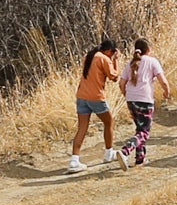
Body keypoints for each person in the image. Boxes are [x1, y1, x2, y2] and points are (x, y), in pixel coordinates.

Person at [66, 41, 118, 171]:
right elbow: (114, 77)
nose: (112, 55)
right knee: (109, 122)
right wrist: (115, 61)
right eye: (112, 52)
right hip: (96, 97)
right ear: (108, 51)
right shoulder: (104, 58)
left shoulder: (90, 56)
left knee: (82, 128)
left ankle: (74, 160)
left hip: (81, 95)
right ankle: (109, 152)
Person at [119, 37, 165, 165]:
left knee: (140, 128)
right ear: (148, 49)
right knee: (144, 132)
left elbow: (122, 82)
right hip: (145, 99)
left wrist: (125, 94)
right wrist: (166, 91)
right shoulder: (152, 61)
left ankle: (140, 158)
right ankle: (126, 150)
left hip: (131, 100)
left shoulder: (130, 64)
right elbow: (162, 80)